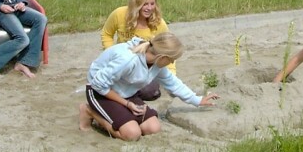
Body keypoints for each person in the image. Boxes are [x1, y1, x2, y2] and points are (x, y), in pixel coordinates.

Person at [79, 32, 219, 141]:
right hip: (100, 91)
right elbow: (98, 84)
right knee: (132, 134)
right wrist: (127, 104)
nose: (171, 63)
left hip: (126, 93)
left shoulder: (156, 63)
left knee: (153, 128)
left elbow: (172, 83)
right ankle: (89, 111)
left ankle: (122, 117)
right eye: (172, 60)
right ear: (163, 57)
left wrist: (198, 100)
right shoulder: (128, 59)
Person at [101, 0, 172, 101]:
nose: (149, 8)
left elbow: (168, 50)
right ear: (136, 3)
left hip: (144, 67)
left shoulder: (159, 24)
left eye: (152, 4)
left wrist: (171, 74)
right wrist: (110, 52)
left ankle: (125, 93)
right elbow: (106, 34)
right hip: (121, 62)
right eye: (145, 4)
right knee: (106, 81)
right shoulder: (119, 14)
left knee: (152, 92)